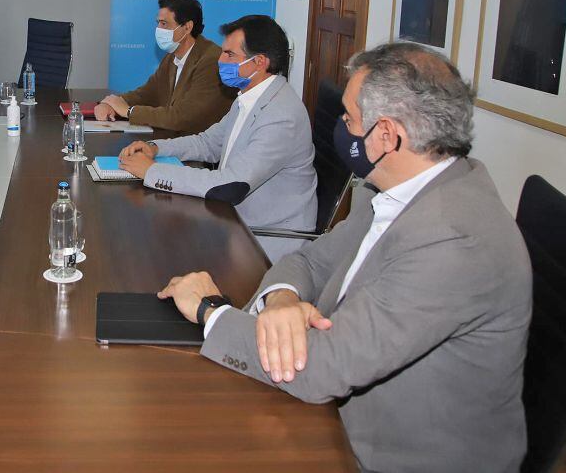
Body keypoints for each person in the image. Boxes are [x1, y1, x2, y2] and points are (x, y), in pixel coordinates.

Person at [158, 42, 532, 473]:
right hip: (338, 410)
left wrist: (210, 311)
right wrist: (280, 300)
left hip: (386, 453)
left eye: (351, 120)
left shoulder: (454, 239)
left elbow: (321, 368)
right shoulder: (399, 191)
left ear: (388, 135)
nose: (342, 128)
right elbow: (312, 261)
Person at [118, 15, 316, 262]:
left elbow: (231, 185)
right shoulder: (250, 98)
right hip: (234, 220)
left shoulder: (281, 116)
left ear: (260, 62)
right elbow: (208, 143)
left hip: (264, 241)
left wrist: (153, 172)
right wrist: (155, 147)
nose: (220, 60)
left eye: (230, 55)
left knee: (160, 251)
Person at [95, 0, 235, 135]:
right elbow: (147, 93)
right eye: (158, 23)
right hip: (174, 141)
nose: (159, 30)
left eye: (164, 24)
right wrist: (111, 103)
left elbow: (183, 116)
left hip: (200, 149)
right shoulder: (172, 56)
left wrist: (129, 111)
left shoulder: (211, 60)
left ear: (187, 27)